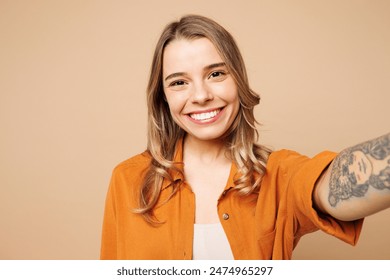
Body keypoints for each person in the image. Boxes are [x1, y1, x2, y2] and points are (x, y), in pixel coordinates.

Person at [100, 14, 390, 260]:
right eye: (179, 82)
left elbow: (339, 184)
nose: (201, 96)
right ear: (163, 97)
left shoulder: (278, 176)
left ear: (238, 79)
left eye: (216, 74)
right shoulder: (128, 180)